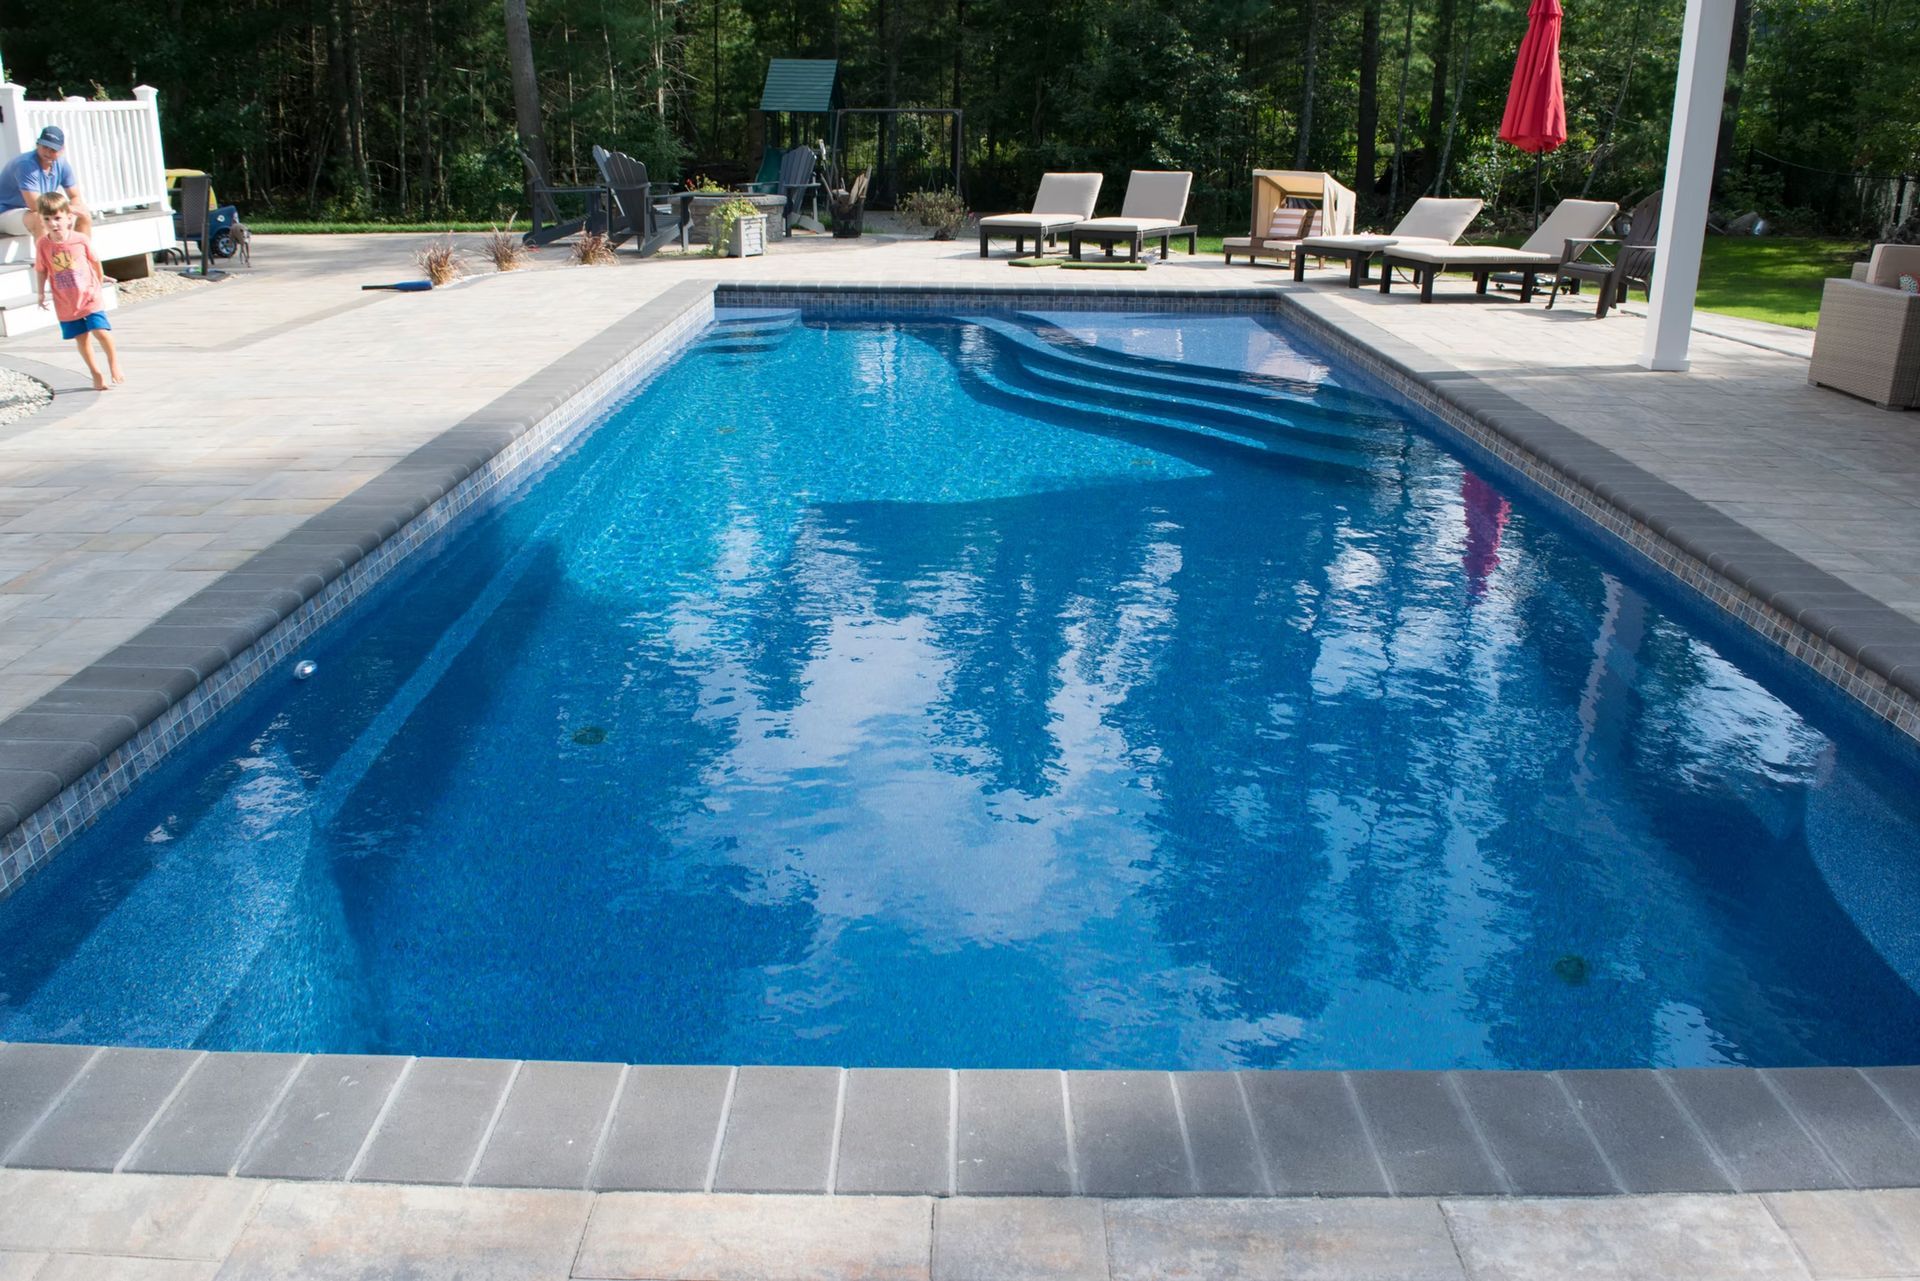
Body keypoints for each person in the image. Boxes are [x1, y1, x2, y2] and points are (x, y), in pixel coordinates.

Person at [35, 192, 122, 391]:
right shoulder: (43, 244)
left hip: (89, 297)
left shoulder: (79, 239)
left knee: (100, 331)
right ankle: (96, 373)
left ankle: (113, 363)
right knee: (81, 339)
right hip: (66, 301)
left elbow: (95, 261)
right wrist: (40, 294)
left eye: (57, 218)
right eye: (47, 219)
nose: (53, 223)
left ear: (68, 217)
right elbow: (41, 270)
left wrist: (98, 283)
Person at [0, 126, 91, 243]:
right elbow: (36, 206)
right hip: (6, 212)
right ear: (37, 144)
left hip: (30, 213)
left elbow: (75, 196)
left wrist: (73, 212)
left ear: (62, 150)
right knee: (41, 219)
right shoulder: (25, 164)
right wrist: (65, 211)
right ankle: (48, 260)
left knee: (84, 214)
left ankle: (80, 257)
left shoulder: (62, 165)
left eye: (53, 150)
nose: (48, 153)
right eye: (45, 147)